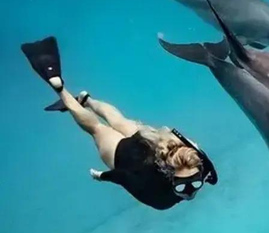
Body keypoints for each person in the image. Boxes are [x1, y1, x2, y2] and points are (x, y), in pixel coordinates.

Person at [21, 36, 217, 210]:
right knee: (95, 128)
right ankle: (60, 89)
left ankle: (87, 99)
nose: (189, 192)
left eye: (195, 184)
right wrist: (100, 176)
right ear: (170, 177)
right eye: (182, 186)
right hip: (123, 155)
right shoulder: (161, 199)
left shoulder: (199, 162)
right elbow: (123, 176)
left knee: (118, 119)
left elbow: (190, 147)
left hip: (150, 141)